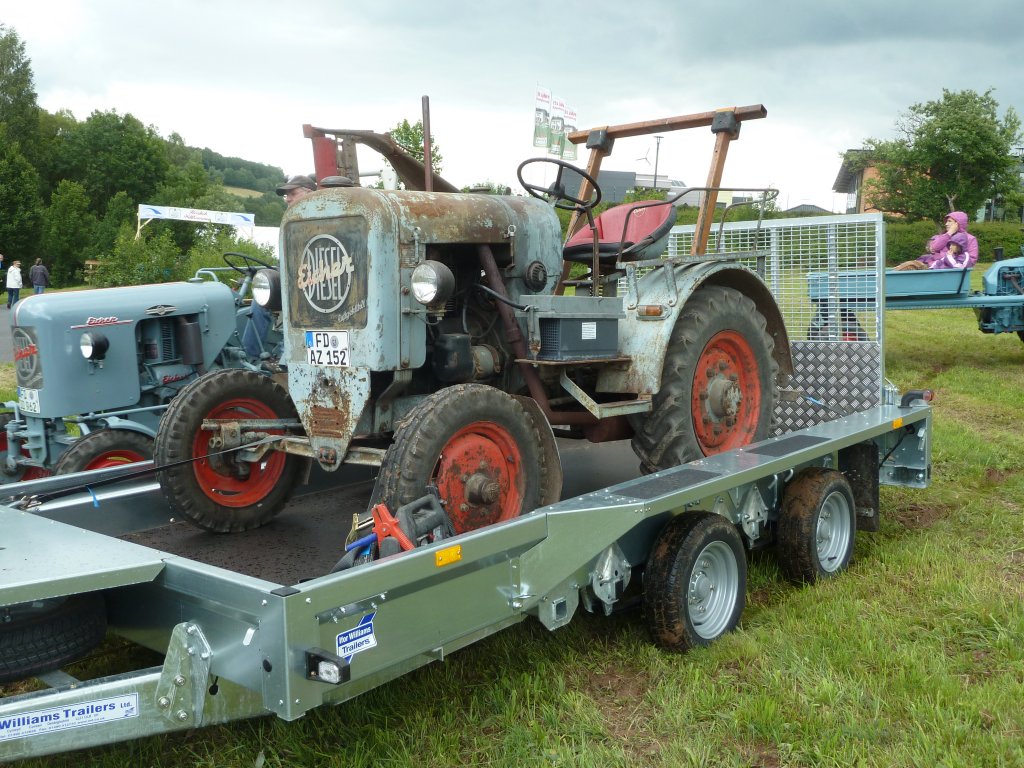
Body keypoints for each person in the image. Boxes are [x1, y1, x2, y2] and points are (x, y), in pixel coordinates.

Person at [893, 211, 978, 271]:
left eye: (949, 221)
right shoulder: (944, 236)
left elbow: (971, 261)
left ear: (958, 223)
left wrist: (945, 258)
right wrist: (949, 233)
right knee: (906, 266)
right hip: (932, 266)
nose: (946, 224)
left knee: (910, 266)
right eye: (946, 221)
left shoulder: (970, 239)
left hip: (944, 271)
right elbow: (934, 247)